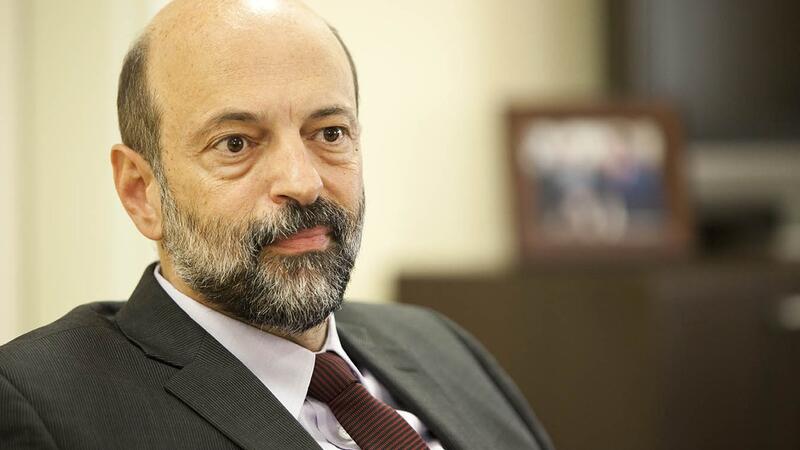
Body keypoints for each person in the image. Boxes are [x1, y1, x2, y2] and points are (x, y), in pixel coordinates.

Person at [0, 1, 553, 448]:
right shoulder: (40, 402)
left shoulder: (441, 345)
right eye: (236, 143)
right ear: (141, 192)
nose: (303, 182)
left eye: (329, 133)